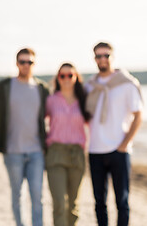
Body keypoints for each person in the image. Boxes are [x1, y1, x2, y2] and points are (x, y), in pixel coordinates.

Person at [85, 42, 143, 226]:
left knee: (122, 201)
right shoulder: (90, 86)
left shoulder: (127, 83)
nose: (102, 59)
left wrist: (124, 144)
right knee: (99, 202)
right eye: (98, 56)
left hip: (119, 150)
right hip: (95, 150)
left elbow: (138, 115)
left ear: (113, 57)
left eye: (106, 55)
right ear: (94, 59)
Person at [0, 48, 49, 226]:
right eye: (22, 62)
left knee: (37, 197)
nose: (26, 65)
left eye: (30, 62)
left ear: (34, 64)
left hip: (36, 152)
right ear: (16, 63)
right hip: (12, 152)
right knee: (17, 196)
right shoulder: (4, 86)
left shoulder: (42, 89)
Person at [45, 63, 90, 226]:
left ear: (76, 77)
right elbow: (36, 122)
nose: (66, 79)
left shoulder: (84, 99)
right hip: (56, 153)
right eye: (62, 76)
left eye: (70, 75)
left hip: (77, 154)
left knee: (73, 205)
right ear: (58, 78)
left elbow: (95, 122)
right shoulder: (51, 100)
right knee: (59, 203)